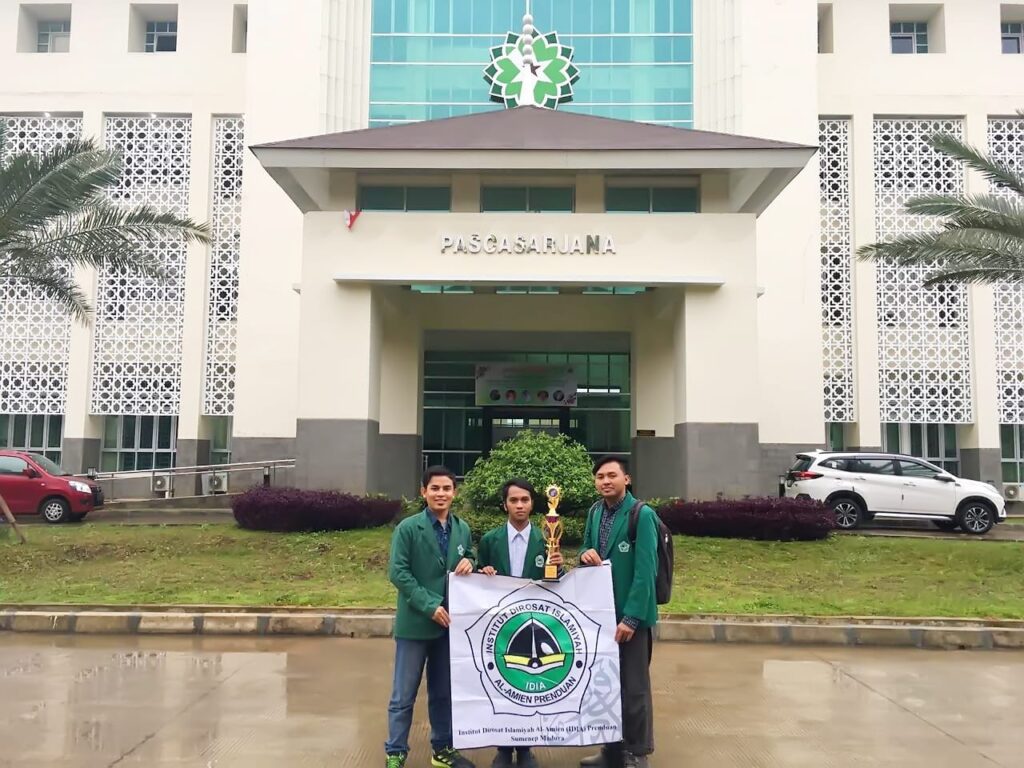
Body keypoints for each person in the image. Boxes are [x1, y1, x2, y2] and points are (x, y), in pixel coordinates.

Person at [385, 466, 477, 768]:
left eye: (447, 488)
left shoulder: (462, 528)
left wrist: (470, 561)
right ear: (424, 492)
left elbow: (470, 555)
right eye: (435, 489)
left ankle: (442, 749)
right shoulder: (408, 528)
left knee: (443, 693)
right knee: (403, 695)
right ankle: (395, 752)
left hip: (449, 627)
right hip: (416, 624)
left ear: (455, 492)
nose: (441, 494)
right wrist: (430, 605)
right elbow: (398, 572)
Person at [477, 478, 564, 768]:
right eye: (513, 500)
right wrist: (483, 571)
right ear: (505, 504)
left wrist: (559, 567)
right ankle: (503, 747)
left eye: (525, 500)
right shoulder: (490, 540)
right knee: (503, 682)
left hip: (533, 622)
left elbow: (557, 584)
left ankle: (525, 747)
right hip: (500, 626)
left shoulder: (546, 539)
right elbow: (478, 579)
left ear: (533, 503)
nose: (519, 505)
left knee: (528, 685)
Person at [577, 457, 658, 768]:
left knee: (634, 687)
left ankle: (637, 752)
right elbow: (585, 546)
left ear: (627, 478)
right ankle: (611, 750)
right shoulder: (595, 512)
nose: (605, 481)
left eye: (612, 475)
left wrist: (632, 618)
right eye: (600, 476)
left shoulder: (642, 515)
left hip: (630, 619)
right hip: (601, 617)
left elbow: (645, 571)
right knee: (605, 686)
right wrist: (585, 552)